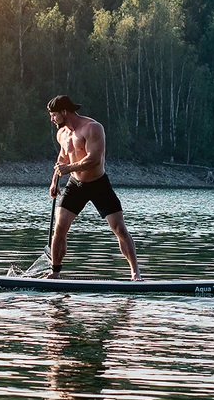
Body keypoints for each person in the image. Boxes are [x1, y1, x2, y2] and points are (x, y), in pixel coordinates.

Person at [46, 95, 142, 281]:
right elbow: (62, 159)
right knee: (59, 228)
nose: (52, 119)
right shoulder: (62, 133)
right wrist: (55, 180)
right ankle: (55, 273)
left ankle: (135, 273)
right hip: (75, 185)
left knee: (119, 228)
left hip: (99, 184)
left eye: (54, 115)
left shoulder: (93, 128)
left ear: (65, 112)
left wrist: (68, 169)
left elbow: (94, 159)